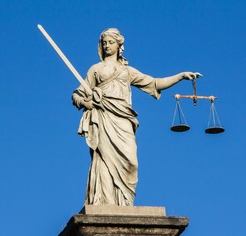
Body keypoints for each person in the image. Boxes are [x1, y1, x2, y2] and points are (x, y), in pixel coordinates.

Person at [72, 28, 201, 206]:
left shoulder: (127, 71)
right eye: (104, 43)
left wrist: (180, 76)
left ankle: (124, 201)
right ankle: (105, 201)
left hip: (123, 118)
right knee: (103, 159)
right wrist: (85, 103)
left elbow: (155, 83)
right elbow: (77, 95)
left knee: (131, 163)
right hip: (103, 116)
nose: (107, 46)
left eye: (111, 42)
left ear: (119, 45)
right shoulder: (95, 69)